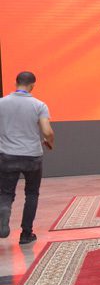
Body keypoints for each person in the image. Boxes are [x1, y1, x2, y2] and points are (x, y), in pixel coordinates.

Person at [0, 71, 55, 245]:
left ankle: (4, 211)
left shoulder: (1, 103)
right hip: (32, 156)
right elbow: (47, 131)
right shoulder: (39, 105)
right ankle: (26, 233)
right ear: (32, 86)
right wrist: (49, 141)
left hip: (7, 155)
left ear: (15, 83)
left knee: (5, 193)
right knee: (31, 193)